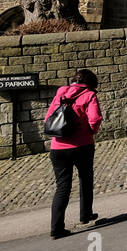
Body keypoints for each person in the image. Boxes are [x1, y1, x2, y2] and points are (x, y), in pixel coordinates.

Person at [44, 68, 103, 239]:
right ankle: (85, 214)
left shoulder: (60, 93)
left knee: (62, 187)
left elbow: (48, 118)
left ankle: (56, 228)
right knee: (85, 178)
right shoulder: (89, 95)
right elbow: (95, 118)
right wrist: (90, 132)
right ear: (91, 82)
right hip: (82, 145)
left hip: (57, 148)